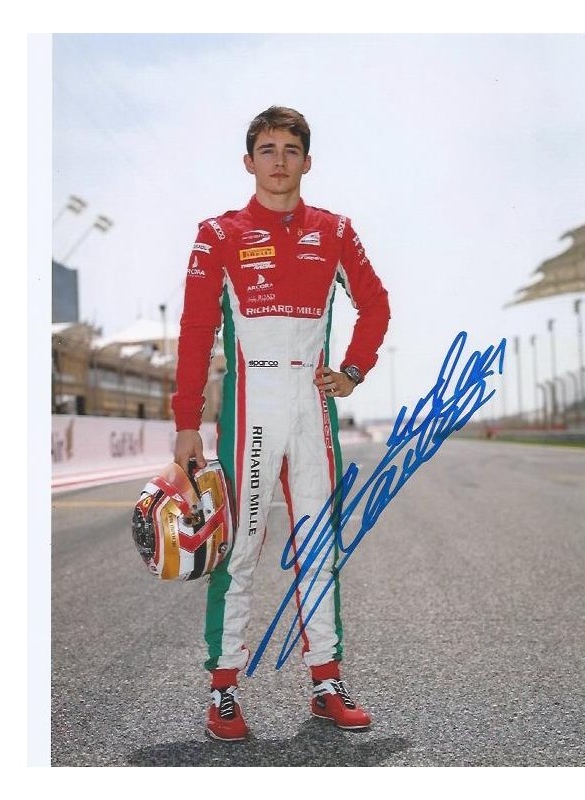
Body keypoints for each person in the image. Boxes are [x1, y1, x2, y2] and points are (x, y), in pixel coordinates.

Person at [172, 106, 391, 741]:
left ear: (307, 161)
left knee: (319, 542)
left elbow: (376, 305)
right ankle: (223, 690)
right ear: (249, 161)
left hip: (313, 400)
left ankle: (326, 680)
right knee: (239, 548)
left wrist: (351, 371)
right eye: (266, 149)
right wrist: (188, 420)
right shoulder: (218, 233)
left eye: (291, 149)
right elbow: (194, 333)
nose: (279, 160)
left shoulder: (335, 230)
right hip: (251, 403)